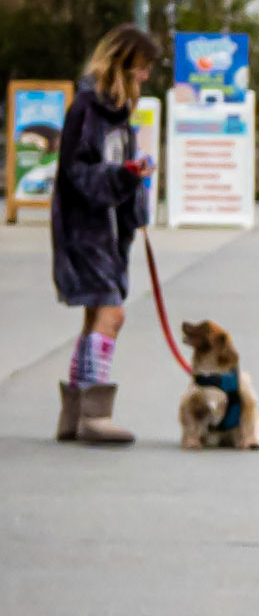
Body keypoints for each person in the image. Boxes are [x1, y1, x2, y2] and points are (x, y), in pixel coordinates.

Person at [51, 24, 160, 445]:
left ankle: (76, 412)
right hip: (86, 230)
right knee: (112, 314)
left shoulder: (116, 113)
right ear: (123, 62)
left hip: (110, 230)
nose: (146, 76)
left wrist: (131, 180)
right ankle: (95, 413)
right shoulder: (87, 108)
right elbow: (77, 172)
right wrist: (122, 176)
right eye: (142, 68)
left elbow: (112, 168)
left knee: (96, 316)